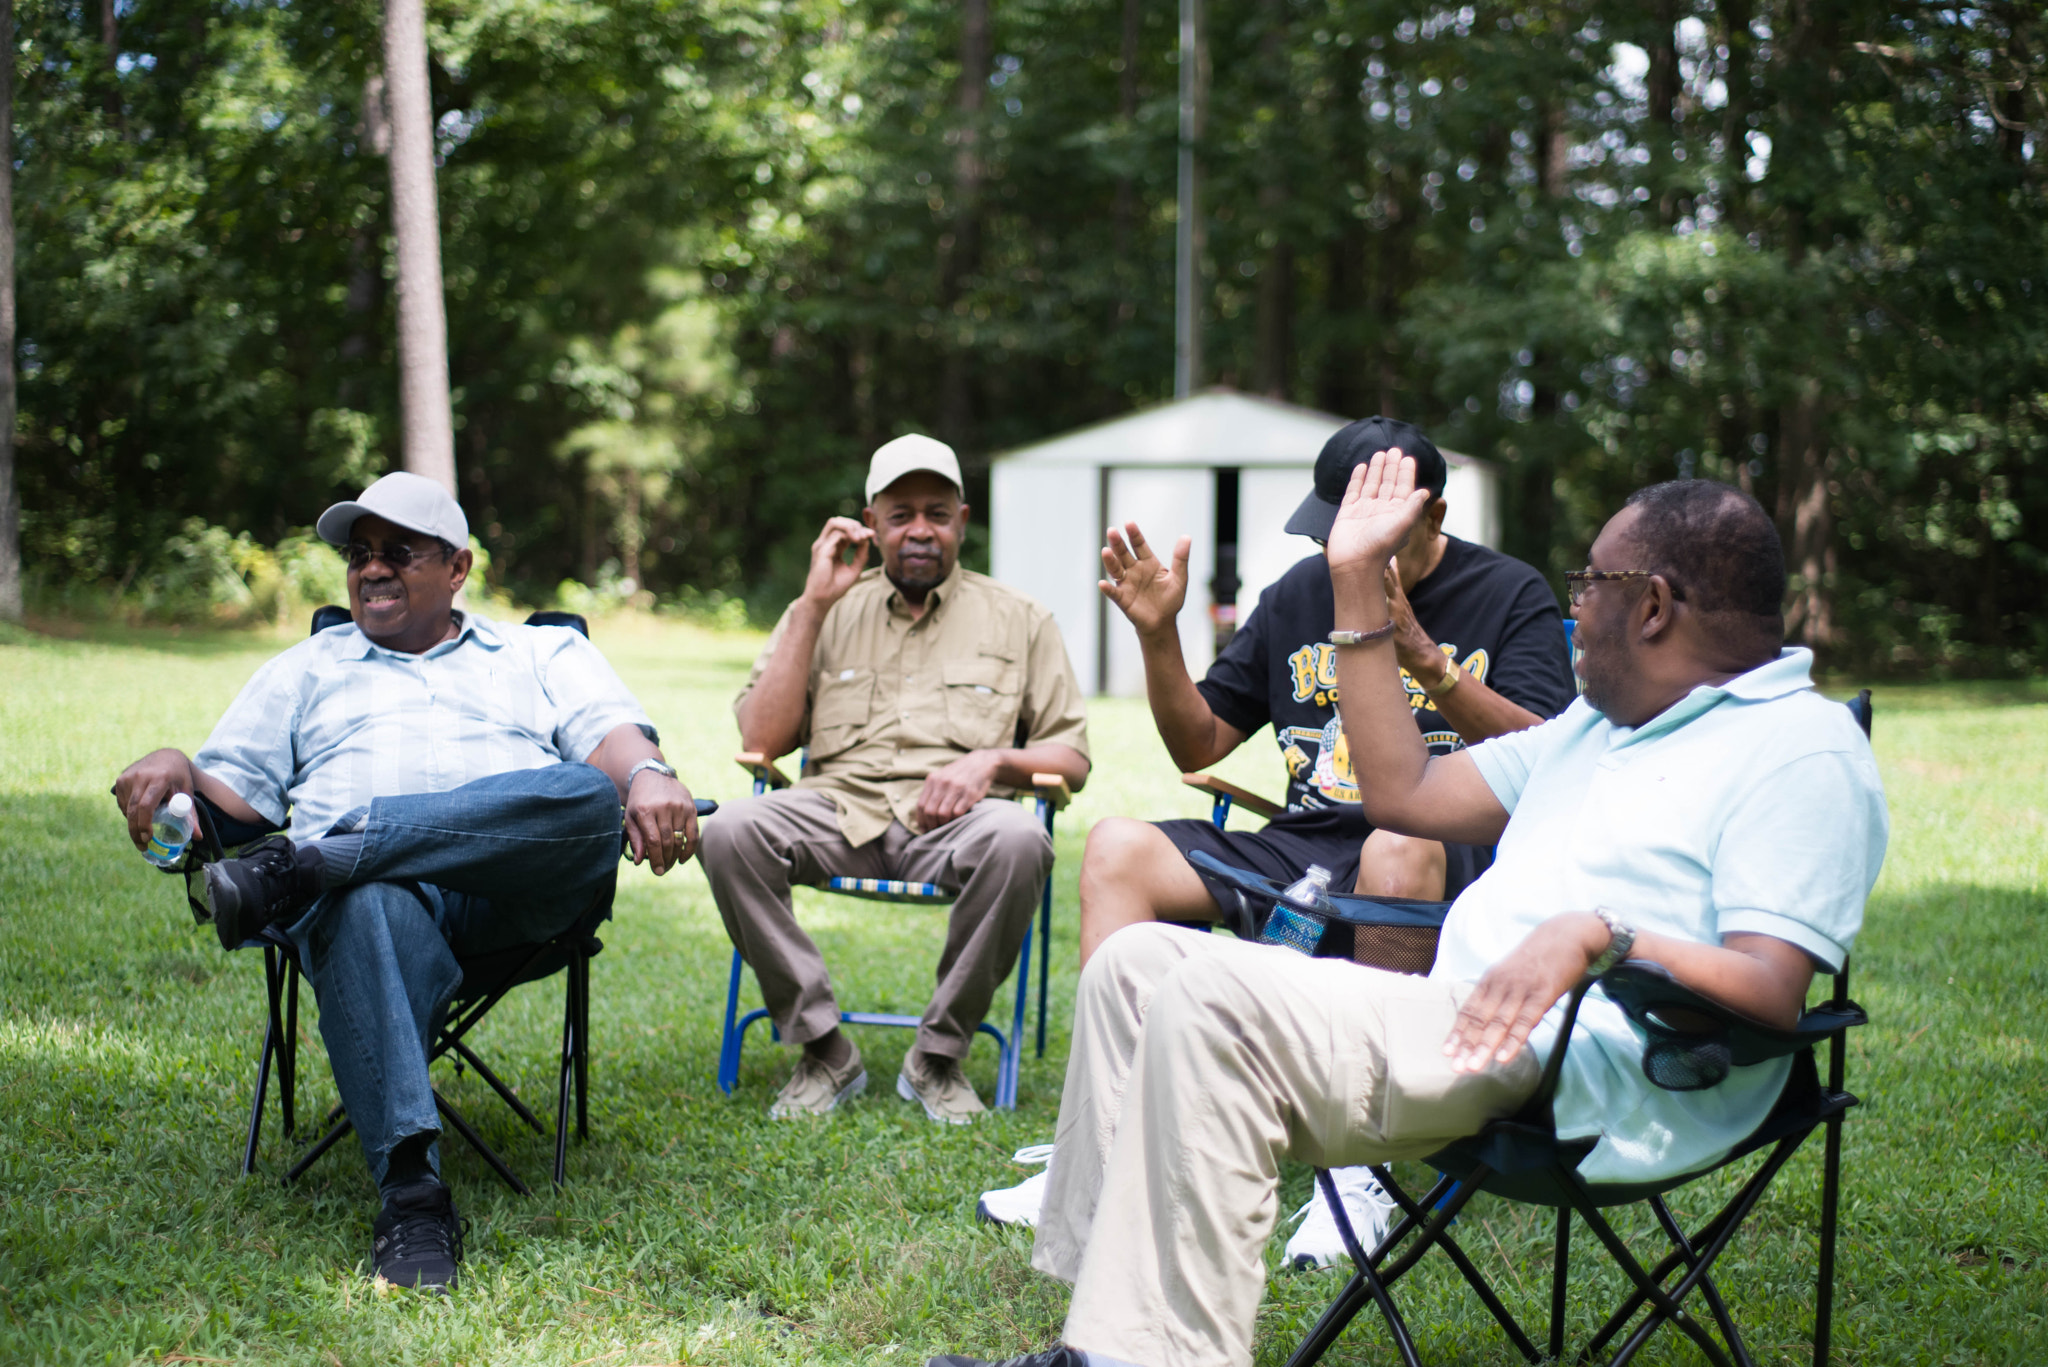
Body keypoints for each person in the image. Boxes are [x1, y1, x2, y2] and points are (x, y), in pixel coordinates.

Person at [930, 458, 1888, 1367]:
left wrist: (1602, 932)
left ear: (1652, 604)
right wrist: (1354, 581)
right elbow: (1403, 790)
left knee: (1213, 990)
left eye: (1588, 582)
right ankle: (1102, 1330)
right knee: (1135, 962)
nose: (1572, 606)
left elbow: (1770, 990)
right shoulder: (1597, 730)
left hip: (1601, 1067)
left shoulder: (1798, 748)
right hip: (1466, 1020)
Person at [978, 417, 1575, 1256]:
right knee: (1118, 846)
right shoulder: (1300, 592)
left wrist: (1426, 659)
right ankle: (1106, 1144)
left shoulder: (1510, 593)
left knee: (1395, 842)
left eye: (1367, 536)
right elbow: (1200, 744)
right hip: (1308, 843)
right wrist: (1158, 636)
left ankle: (1372, 1170)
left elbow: (1557, 757)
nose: (1345, 554)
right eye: (1333, 535)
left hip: (1449, 853)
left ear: (1431, 517)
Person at [111, 471, 702, 1294]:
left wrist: (646, 773)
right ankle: (413, 1195)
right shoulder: (307, 666)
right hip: (374, 914)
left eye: (399, 551)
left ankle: (318, 858)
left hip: (513, 898)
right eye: (359, 555)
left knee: (583, 794)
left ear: (458, 568)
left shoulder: (543, 652)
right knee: (365, 898)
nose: (372, 569)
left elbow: (615, 742)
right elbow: (227, 801)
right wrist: (175, 764)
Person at [700, 434, 1091, 1124]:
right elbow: (761, 739)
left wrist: (993, 761)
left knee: (1020, 837)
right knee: (731, 828)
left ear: (962, 522)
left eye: (937, 514)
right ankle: (824, 1049)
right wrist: (813, 605)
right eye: (901, 513)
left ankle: (937, 1056)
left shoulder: (1021, 618)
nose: (920, 530)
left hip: (955, 825)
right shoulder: (822, 609)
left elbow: (1072, 757)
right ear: (871, 521)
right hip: (834, 810)